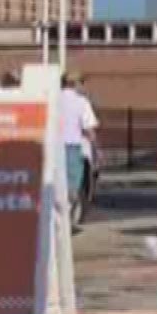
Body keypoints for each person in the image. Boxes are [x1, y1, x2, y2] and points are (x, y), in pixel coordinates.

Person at [57, 74, 97, 215]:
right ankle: (67, 217)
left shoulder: (52, 99)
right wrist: (96, 151)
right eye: (82, 83)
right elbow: (88, 129)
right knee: (72, 187)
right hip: (72, 147)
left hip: (52, 147)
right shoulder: (81, 102)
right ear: (76, 84)